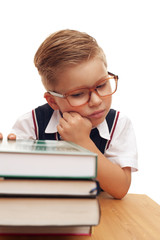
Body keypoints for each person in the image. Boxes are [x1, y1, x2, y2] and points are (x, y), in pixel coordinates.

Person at [10, 29, 138, 199]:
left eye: (101, 85)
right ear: (53, 101)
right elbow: (13, 181)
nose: (96, 101)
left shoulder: (118, 124)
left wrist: (83, 143)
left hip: (100, 216)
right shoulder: (31, 124)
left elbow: (120, 189)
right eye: (78, 94)